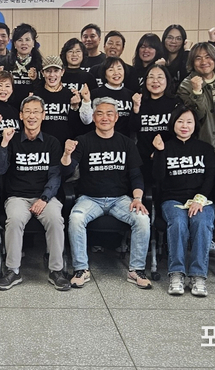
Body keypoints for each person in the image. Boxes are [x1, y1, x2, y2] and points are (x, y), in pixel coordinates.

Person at [63, 96, 152, 290]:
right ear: (94, 117)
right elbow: (67, 171)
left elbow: (136, 175)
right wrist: (67, 154)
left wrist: (137, 198)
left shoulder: (126, 143)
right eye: (100, 114)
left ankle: (136, 270)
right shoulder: (83, 141)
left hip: (120, 199)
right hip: (89, 198)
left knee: (142, 219)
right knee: (76, 218)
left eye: (109, 114)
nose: (105, 118)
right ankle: (81, 269)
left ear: (116, 117)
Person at [0, 95, 70, 291]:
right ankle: (13, 271)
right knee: (14, 220)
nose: (32, 116)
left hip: (45, 197)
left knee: (55, 219)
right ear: (21, 115)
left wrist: (44, 199)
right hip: (17, 197)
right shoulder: (12, 140)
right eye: (27, 112)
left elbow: (55, 176)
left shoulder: (52, 142)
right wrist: (4, 143)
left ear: (43, 115)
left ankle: (56, 271)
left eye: (36, 112)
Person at [152, 105, 215, 297]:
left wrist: (200, 199)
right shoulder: (165, 147)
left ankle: (198, 275)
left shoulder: (206, 149)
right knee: (179, 222)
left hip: (201, 200)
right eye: (180, 121)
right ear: (173, 124)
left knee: (201, 222)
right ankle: (176, 273)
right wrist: (159, 152)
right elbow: (157, 178)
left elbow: (210, 178)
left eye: (189, 122)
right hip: (172, 199)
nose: (184, 126)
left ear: (195, 125)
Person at [176, 42, 215, 156]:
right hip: (206, 147)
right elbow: (197, 116)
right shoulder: (185, 86)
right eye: (198, 58)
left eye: (208, 57)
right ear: (192, 62)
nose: (204, 62)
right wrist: (197, 92)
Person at [130, 64, 179, 187]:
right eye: (151, 77)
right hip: (143, 157)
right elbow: (133, 128)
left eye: (160, 77)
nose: (155, 81)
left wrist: (161, 152)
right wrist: (136, 109)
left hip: (169, 156)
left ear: (167, 80)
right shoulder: (139, 100)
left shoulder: (176, 102)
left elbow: (180, 133)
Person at [80, 56, 136, 138]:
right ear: (104, 74)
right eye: (111, 70)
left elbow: (134, 124)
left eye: (119, 69)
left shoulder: (131, 95)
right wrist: (86, 101)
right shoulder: (95, 93)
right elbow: (86, 121)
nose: (116, 73)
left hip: (124, 141)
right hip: (99, 138)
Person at [34, 55, 82, 145]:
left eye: (56, 71)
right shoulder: (36, 96)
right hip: (42, 146)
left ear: (62, 72)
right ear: (42, 73)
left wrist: (74, 108)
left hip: (66, 146)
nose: (52, 75)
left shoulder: (71, 95)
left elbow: (76, 126)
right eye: (48, 71)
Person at [1, 23, 43, 108]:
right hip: (9, 107)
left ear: (33, 43)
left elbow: (42, 88)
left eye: (27, 39)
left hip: (31, 108)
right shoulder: (5, 62)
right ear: (14, 44)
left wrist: (35, 80)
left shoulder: (39, 63)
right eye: (20, 40)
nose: (24, 43)